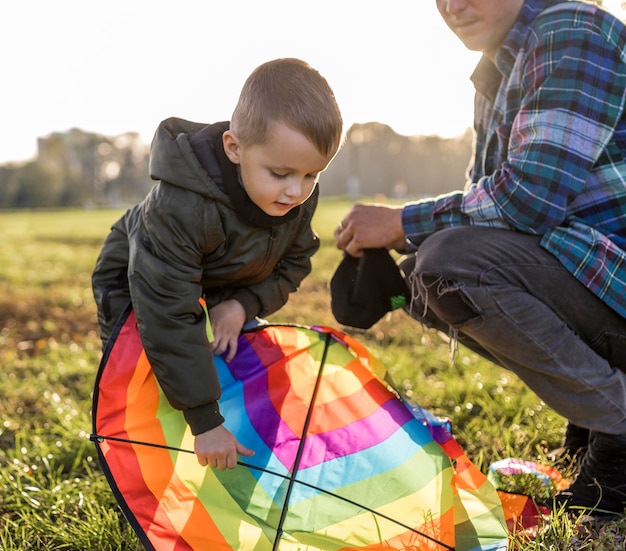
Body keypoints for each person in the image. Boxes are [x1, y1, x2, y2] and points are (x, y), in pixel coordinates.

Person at [335, 0, 626, 518]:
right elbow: (487, 206)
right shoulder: (503, 61)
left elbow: (527, 200)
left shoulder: (572, 31)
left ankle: (619, 426)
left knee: (449, 265)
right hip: (602, 294)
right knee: (423, 280)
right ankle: (591, 421)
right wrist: (398, 261)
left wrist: (401, 223)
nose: (453, 5)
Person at [93, 58, 343, 470]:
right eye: (280, 173)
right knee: (144, 377)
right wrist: (205, 419)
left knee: (248, 365)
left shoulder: (294, 196)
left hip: (222, 279)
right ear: (234, 148)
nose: (296, 191)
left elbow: (294, 263)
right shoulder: (181, 207)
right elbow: (168, 310)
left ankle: (246, 461)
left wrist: (243, 305)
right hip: (140, 283)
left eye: (312, 175)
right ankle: (149, 473)